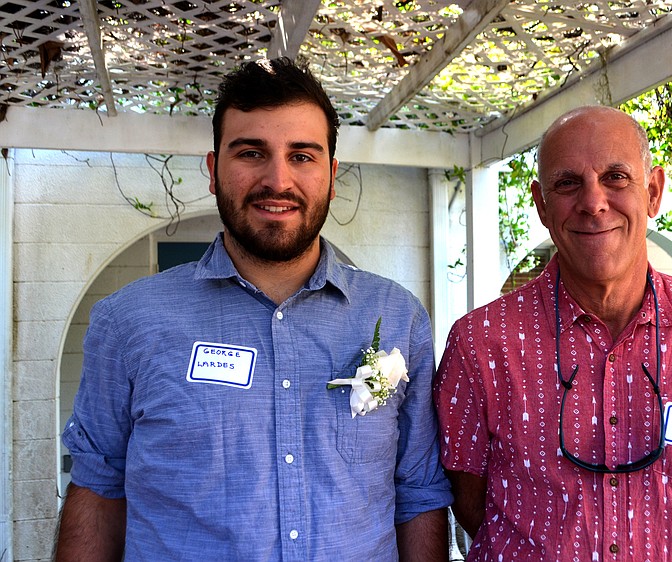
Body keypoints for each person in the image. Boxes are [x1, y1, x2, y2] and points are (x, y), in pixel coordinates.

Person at [56, 57, 451, 561]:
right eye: (251, 152)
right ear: (213, 169)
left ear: (332, 174)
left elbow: (418, 494)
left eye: (302, 156)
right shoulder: (129, 322)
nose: (277, 179)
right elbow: (97, 488)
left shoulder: (398, 317)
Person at [433, 106, 672, 561]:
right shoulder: (480, 343)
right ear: (541, 205)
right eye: (567, 183)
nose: (593, 202)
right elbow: (469, 502)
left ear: (653, 191)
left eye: (616, 177)